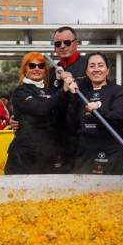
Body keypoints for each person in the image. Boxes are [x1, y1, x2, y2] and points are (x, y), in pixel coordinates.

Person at [5, 53, 69, 174]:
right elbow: (40, 109)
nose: (37, 69)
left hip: (48, 153)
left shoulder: (50, 90)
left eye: (41, 66)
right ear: (25, 69)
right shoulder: (20, 91)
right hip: (24, 155)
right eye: (32, 65)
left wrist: (61, 84)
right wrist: (63, 90)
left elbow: (59, 110)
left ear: (45, 70)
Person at [65, 52, 123, 175]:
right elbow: (71, 123)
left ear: (107, 70)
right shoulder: (81, 93)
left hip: (111, 152)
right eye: (92, 66)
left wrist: (97, 110)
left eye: (100, 65)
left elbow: (119, 117)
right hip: (85, 152)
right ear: (87, 72)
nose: (96, 69)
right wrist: (72, 95)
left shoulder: (118, 91)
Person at [46, 26, 88, 172]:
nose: (62, 46)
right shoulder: (51, 71)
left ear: (76, 43)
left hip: (83, 134)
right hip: (57, 137)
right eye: (58, 44)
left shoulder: (88, 66)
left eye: (67, 42)